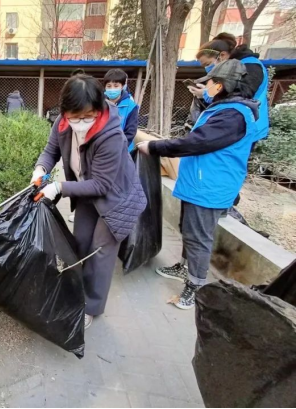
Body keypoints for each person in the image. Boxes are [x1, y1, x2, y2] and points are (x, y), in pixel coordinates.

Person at [137, 60, 259, 310]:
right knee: (189, 230)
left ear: (222, 85)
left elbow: (196, 142)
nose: (207, 87)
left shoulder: (233, 115)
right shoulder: (222, 108)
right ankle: (184, 267)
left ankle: (196, 286)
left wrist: (154, 147)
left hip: (211, 187)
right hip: (200, 183)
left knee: (199, 237)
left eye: (211, 83)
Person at [31, 75, 147, 329]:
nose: (81, 123)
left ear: (98, 109)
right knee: (81, 243)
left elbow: (102, 185)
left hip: (116, 199)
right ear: (64, 112)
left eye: (88, 116)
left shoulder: (111, 135)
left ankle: (92, 307)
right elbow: (51, 151)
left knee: (100, 253)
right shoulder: (63, 123)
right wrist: (40, 169)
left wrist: (59, 187)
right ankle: (76, 292)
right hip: (86, 192)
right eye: (75, 117)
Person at [192, 33, 268, 142]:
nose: (207, 68)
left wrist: (206, 93)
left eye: (207, 64)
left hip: (246, 126)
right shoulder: (229, 68)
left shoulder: (250, 66)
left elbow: (241, 94)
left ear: (222, 55)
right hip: (230, 124)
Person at [103, 69, 139, 151]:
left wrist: (118, 149)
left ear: (122, 86)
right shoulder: (98, 104)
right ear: (105, 87)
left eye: (116, 86)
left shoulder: (131, 106)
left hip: (123, 150)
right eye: (109, 86)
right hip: (102, 149)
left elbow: (130, 132)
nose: (112, 89)